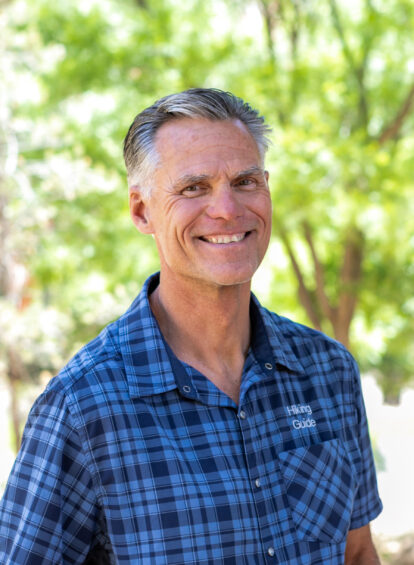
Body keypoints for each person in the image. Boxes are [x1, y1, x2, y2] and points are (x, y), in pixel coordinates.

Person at [0, 88, 382, 564]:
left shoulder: (329, 372)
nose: (227, 209)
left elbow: (358, 552)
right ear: (141, 211)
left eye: (245, 181)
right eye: (193, 188)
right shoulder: (81, 408)